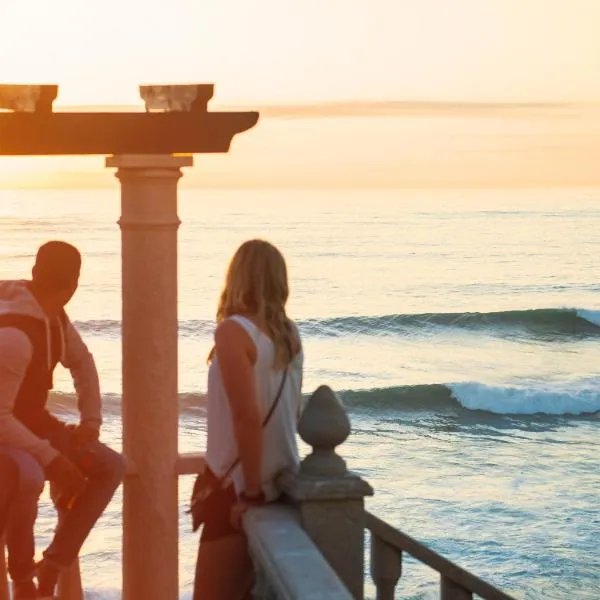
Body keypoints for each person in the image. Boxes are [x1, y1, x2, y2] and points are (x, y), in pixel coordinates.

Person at [0, 241, 125, 599]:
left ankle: (54, 564)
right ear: (74, 283)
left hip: (32, 423)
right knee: (31, 474)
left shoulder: (53, 317)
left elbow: (83, 364)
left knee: (109, 466)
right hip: (6, 434)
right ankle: (23, 578)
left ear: (35, 271)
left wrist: (91, 424)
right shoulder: (15, 336)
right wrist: (53, 459)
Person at [193, 239, 304, 600]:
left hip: (238, 489)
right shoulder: (290, 336)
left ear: (236, 277)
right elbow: (291, 413)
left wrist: (251, 494)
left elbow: (246, 416)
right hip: (282, 483)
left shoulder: (232, 332)